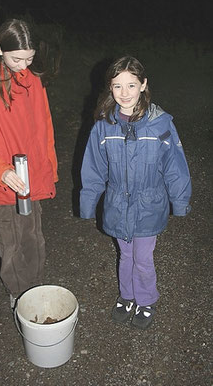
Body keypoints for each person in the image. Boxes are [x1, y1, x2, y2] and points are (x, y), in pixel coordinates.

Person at [80, 56, 191, 329]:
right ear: (110, 88)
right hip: (117, 204)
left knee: (142, 257)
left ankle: (146, 299)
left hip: (149, 205)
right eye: (117, 86)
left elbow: (175, 166)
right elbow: (93, 167)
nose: (125, 93)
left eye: (131, 85)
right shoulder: (103, 126)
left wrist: (180, 200)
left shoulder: (161, 124)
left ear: (143, 85)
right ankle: (127, 296)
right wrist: (87, 202)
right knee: (125, 254)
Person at [0, 18, 59, 309]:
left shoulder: (32, 77)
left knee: (33, 236)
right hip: (3, 182)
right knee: (12, 242)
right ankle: (19, 295)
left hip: (32, 179)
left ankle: (36, 287)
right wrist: (2, 171)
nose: (23, 65)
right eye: (17, 58)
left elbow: (44, 126)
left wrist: (48, 169)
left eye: (29, 58)